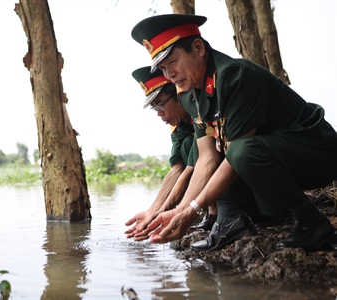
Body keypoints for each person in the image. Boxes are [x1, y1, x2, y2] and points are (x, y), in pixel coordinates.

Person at [130, 14, 337, 252]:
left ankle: (312, 220)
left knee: (239, 150)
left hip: (316, 157)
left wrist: (191, 211)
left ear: (198, 47)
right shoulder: (190, 94)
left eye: (173, 62)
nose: (170, 76)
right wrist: (180, 212)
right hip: (272, 164)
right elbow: (206, 159)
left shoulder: (235, 75)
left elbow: (237, 154)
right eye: (164, 69)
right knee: (219, 151)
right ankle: (231, 220)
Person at [125, 66, 217, 241]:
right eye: (154, 108)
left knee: (194, 145)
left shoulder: (198, 111)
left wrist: (171, 211)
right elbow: (176, 169)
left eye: (161, 104)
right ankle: (208, 213)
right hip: (200, 173)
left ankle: (215, 213)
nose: (159, 113)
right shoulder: (178, 127)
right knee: (186, 147)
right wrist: (153, 211)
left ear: (178, 94)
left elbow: (193, 168)